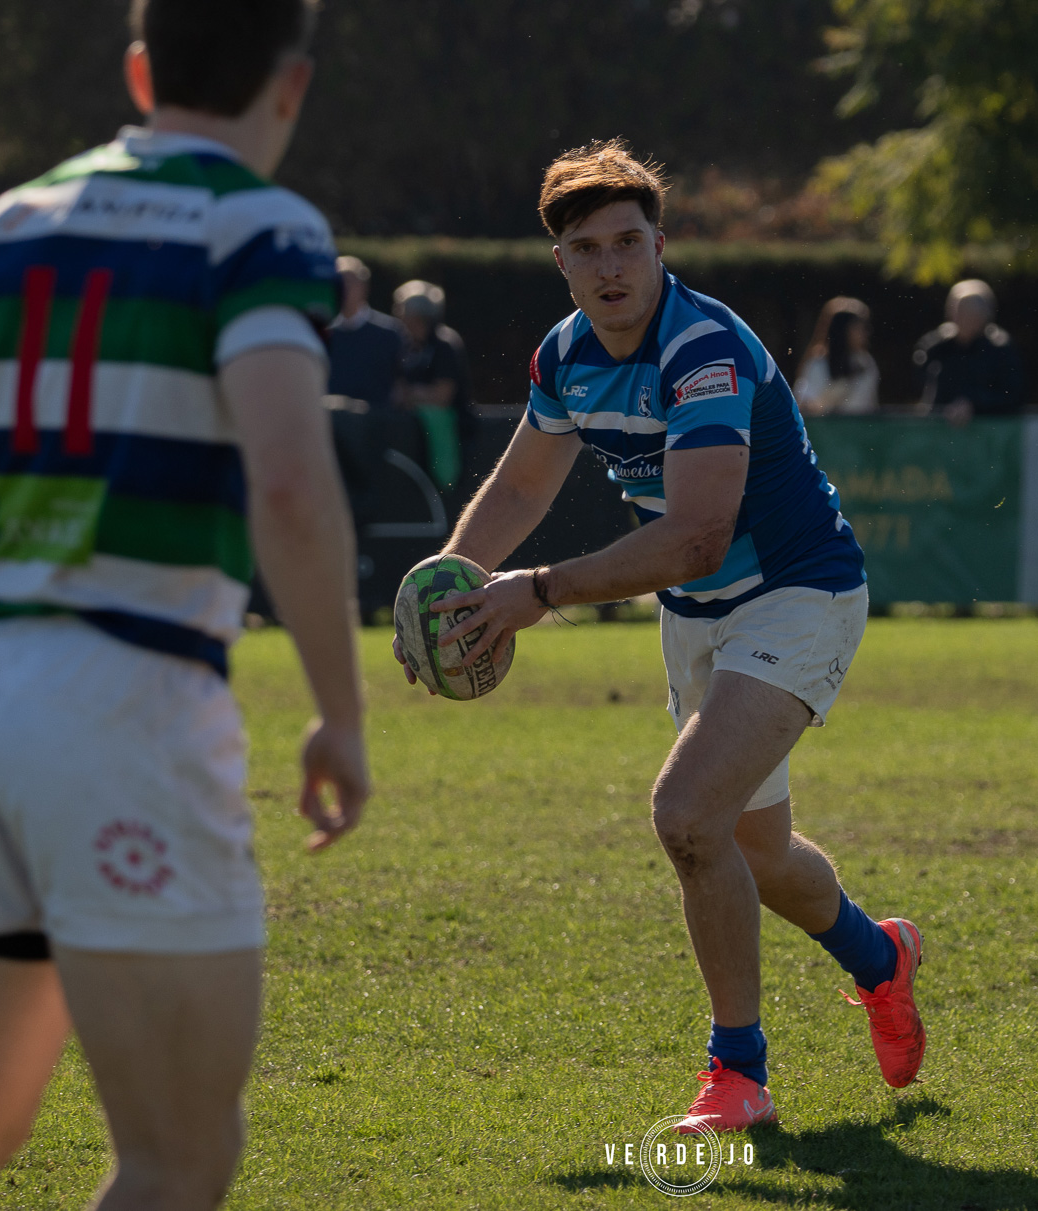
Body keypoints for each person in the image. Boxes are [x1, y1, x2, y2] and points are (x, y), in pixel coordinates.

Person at [0, 3, 371, 1210]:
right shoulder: (265, 226)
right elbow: (289, 482)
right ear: (296, 87)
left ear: (141, 68)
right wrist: (339, 710)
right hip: (129, 701)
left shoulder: (7, 220)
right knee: (179, 1159)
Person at [393, 139, 926, 1134]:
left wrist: (538, 590)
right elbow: (518, 486)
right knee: (756, 853)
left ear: (659, 244)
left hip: (798, 590)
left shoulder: (701, 349)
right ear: (560, 262)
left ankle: (740, 1076)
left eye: (628, 242)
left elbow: (695, 535)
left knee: (686, 815)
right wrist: (454, 587)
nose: (610, 266)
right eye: (587, 248)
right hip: (699, 617)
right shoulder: (564, 356)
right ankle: (879, 956)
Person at [393, 279, 472, 490]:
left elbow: (442, 395)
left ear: (417, 316)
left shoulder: (445, 344)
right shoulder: (407, 346)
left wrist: (410, 394)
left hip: (457, 434)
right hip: (414, 435)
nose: (398, 316)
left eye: (402, 311)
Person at [913, 278, 1024, 422]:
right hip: (941, 432)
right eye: (959, 312)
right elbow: (923, 384)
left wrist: (974, 405)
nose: (962, 319)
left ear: (986, 316)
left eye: (970, 314)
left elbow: (1013, 397)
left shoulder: (1001, 350)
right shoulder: (935, 348)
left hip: (989, 435)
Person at [326, 255, 405, 407]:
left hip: (377, 422)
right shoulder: (324, 333)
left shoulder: (389, 332)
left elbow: (400, 384)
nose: (345, 289)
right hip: (334, 421)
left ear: (364, 287)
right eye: (340, 282)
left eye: (350, 282)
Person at [795, 297, 879, 416]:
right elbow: (806, 406)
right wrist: (831, 397)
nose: (865, 333)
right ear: (843, 330)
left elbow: (870, 406)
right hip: (826, 432)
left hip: (860, 431)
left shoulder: (866, 363)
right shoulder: (818, 364)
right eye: (859, 328)